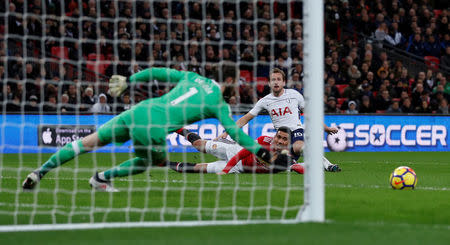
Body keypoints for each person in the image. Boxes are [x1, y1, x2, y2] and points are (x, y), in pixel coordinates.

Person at [22, 68, 284, 192]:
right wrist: (261, 150)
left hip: (138, 111)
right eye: (236, 84)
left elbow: (157, 71)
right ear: (227, 82)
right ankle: (101, 178)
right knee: (152, 161)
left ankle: (39, 171)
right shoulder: (219, 103)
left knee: (86, 143)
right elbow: (236, 134)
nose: (238, 89)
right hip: (153, 129)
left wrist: (129, 81)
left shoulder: (192, 77)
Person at [218, 68, 341, 172]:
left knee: (299, 147)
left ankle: (328, 165)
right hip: (281, 138)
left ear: (283, 82)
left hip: (296, 131)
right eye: (273, 80)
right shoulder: (265, 101)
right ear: (269, 83)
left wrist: (327, 128)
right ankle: (299, 165)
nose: (276, 82)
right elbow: (246, 118)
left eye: (278, 80)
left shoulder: (295, 95)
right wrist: (227, 132)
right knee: (280, 165)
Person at [170, 127, 304, 175]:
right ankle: (179, 129)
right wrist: (226, 170)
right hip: (234, 151)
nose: (280, 141)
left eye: (284, 139)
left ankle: (164, 163)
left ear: (289, 143)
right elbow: (243, 153)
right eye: (278, 137)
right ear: (274, 136)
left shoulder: (285, 159)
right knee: (199, 145)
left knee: (199, 169)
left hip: (240, 169)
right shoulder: (264, 141)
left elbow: (299, 167)